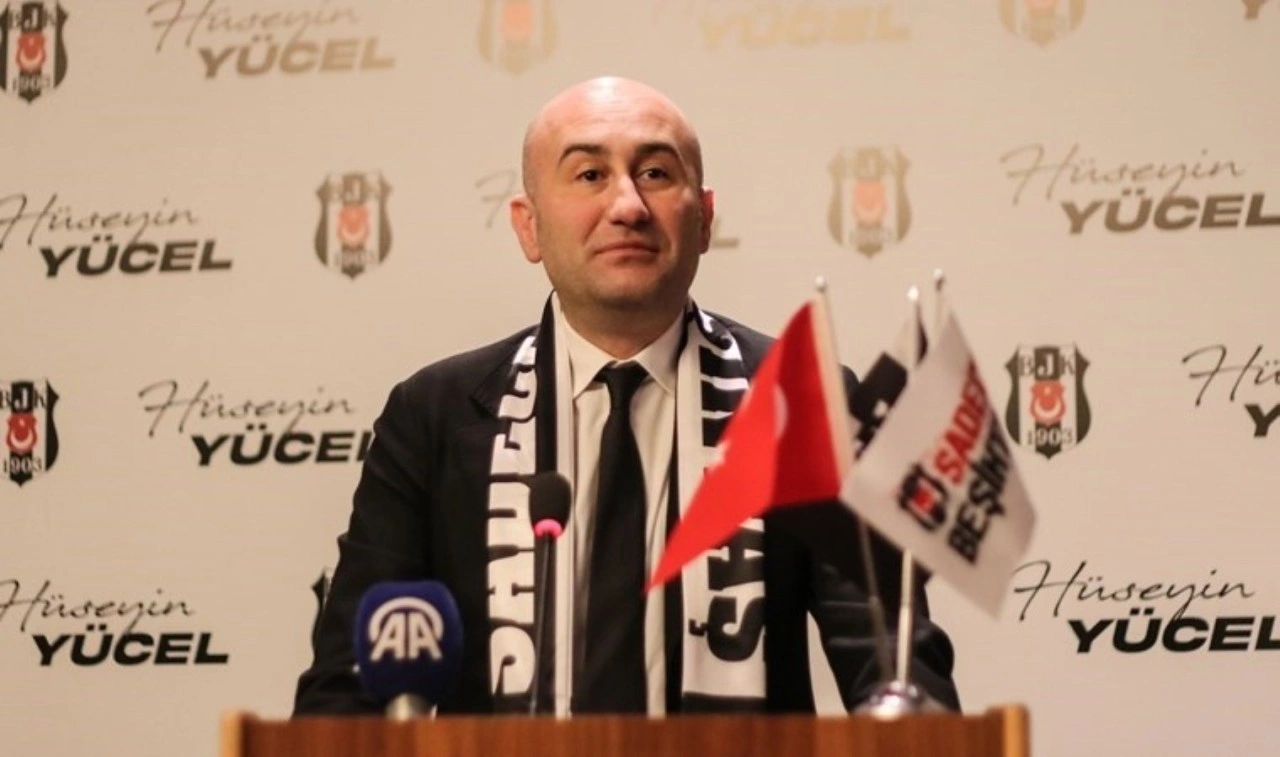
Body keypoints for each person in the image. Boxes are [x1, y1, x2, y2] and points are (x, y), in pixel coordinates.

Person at [293, 76, 959, 716]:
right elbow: (347, 696)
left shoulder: (802, 402)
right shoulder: (435, 416)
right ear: (528, 226)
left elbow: (890, 659)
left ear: (705, 219)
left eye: (657, 174)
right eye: (589, 175)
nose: (628, 206)